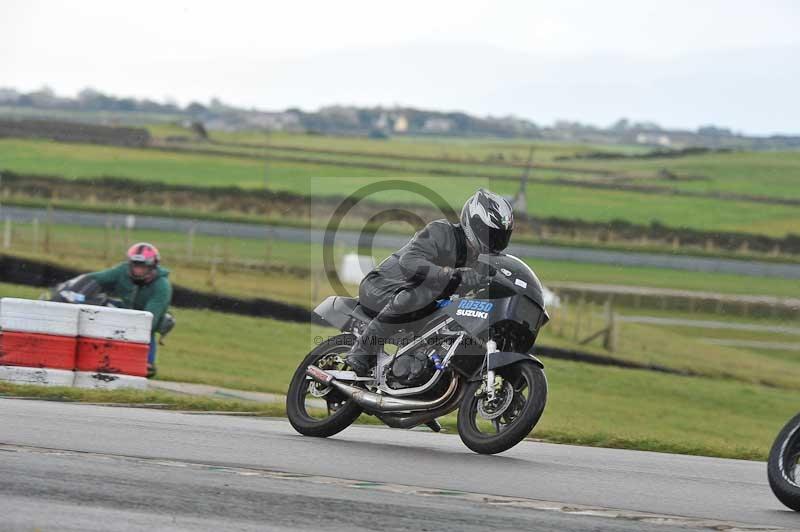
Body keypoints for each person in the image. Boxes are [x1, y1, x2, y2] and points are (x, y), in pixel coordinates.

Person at [345, 188, 515, 376]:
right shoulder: (441, 232)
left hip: (424, 306)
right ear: (474, 224)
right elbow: (408, 262)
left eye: (500, 236)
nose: (494, 240)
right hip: (381, 287)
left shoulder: (484, 263)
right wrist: (452, 274)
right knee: (419, 294)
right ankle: (361, 352)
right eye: (490, 233)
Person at [87, 242, 172, 378]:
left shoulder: (162, 286)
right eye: (135, 265)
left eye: (142, 266)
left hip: (146, 319)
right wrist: (78, 285)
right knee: (101, 303)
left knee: (150, 326)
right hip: (126, 310)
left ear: (152, 266)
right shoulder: (123, 271)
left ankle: (146, 362)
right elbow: (97, 278)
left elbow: (149, 319)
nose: (138, 270)